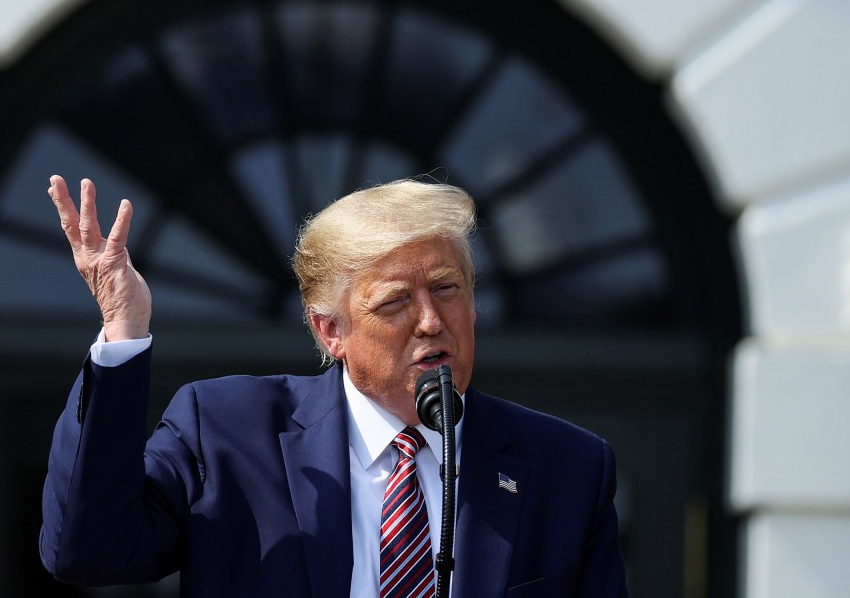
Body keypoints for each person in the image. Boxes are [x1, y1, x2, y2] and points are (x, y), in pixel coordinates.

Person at [40, 175, 629, 597]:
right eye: (396, 301)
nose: (430, 321)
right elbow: (86, 552)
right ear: (331, 331)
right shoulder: (225, 430)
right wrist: (123, 329)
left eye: (447, 289)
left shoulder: (567, 468)